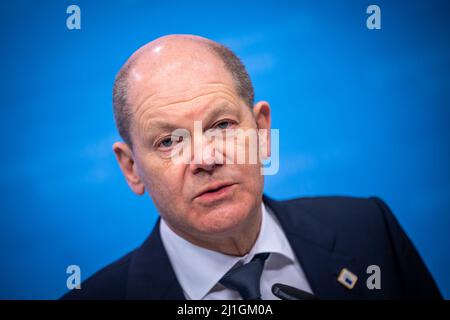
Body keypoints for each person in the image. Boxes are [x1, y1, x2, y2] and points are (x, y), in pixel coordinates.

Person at [62, 35, 441, 300]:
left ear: (262, 132)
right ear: (131, 169)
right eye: (169, 141)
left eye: (222, 125)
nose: (206, 159)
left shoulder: (369, 230)